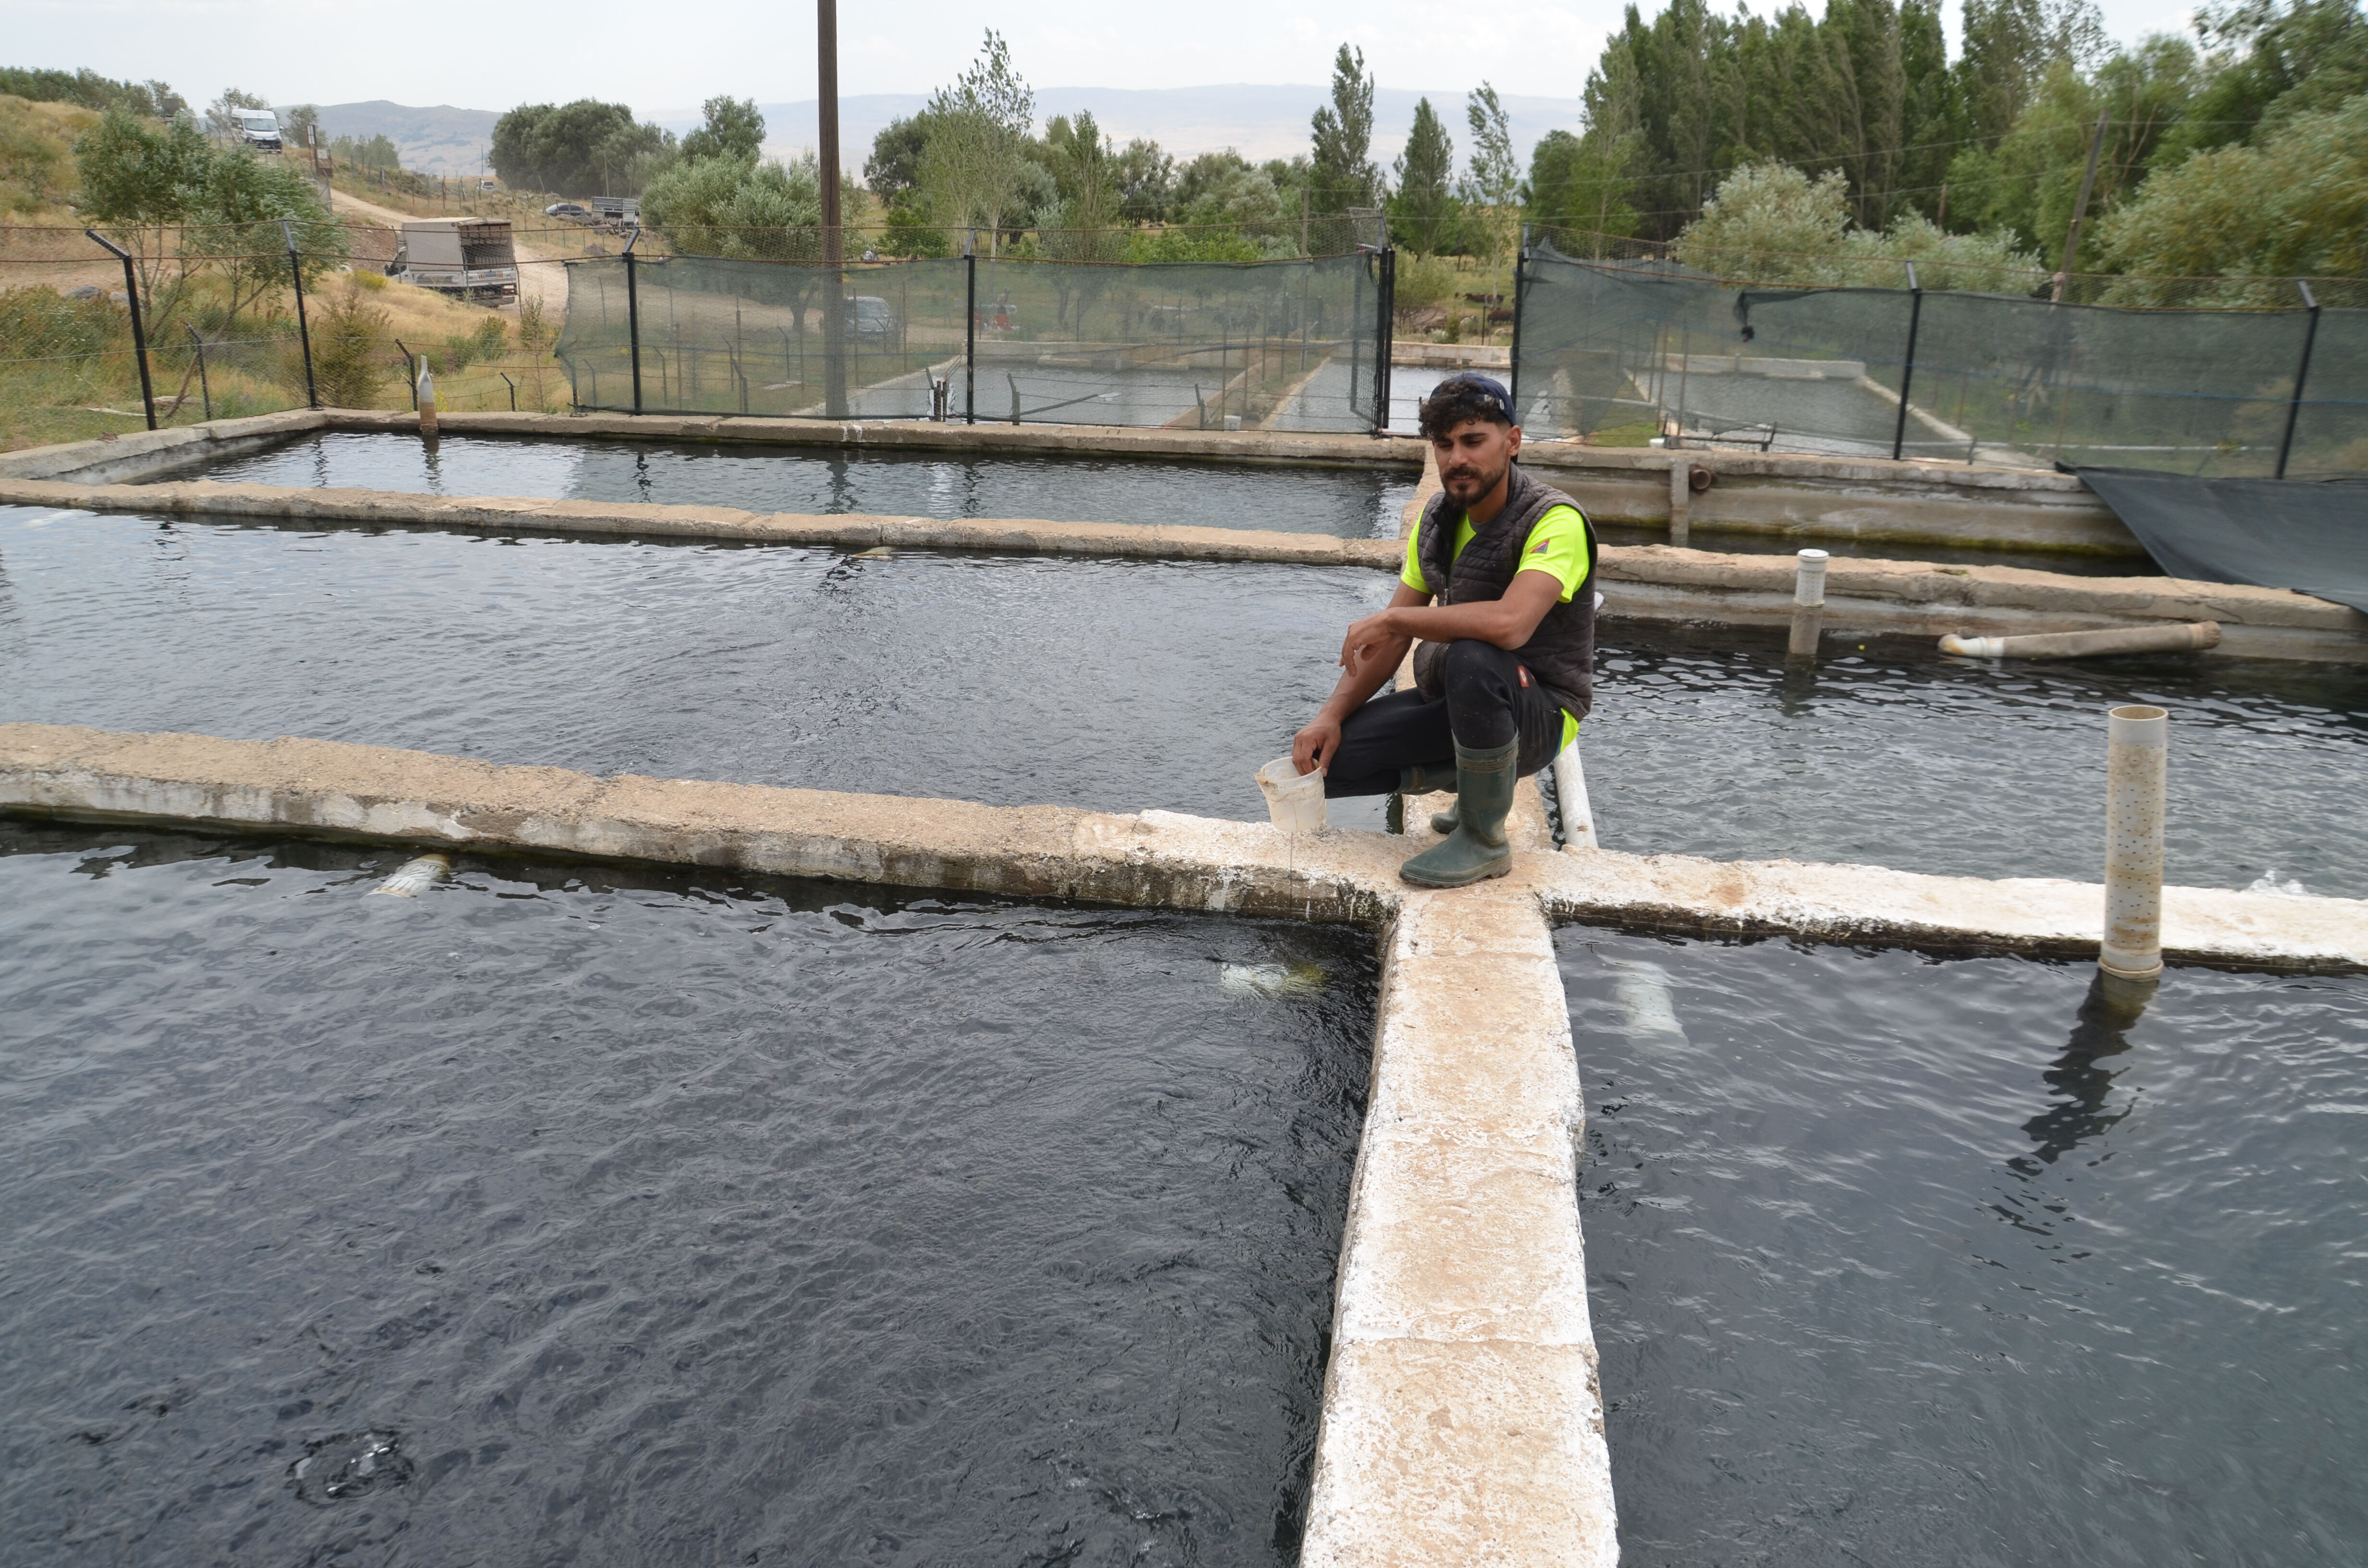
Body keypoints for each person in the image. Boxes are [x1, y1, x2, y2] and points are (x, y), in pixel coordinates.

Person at [1291, 374, 1598, 888]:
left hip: (1541, 711)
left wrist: (1393, 617)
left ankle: (1483, 839)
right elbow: (1388, 645)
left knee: (1474, 655)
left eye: (1474, 441)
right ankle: (1477, 788)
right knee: (1328, 767)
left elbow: (1510, 623)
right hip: (1464, 705)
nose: (1457, 458)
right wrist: (1328, 716)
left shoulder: (1554, 521)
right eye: (1444, 444)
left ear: (1513, 442)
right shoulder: (1437, 519)